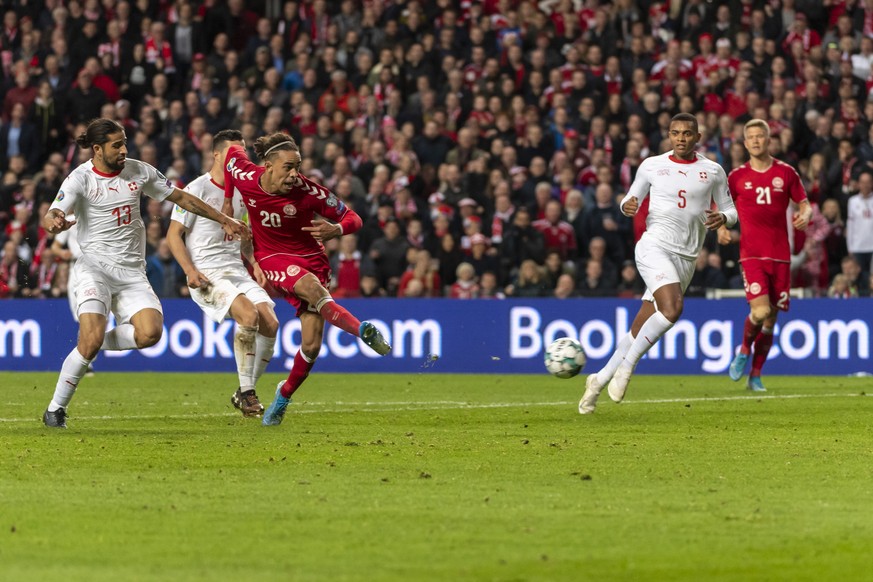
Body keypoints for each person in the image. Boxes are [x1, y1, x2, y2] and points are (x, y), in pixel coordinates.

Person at [41, 118, 248, 428]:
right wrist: (54, 220)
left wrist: (223, 219)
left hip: (132, 272)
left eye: (125, 142)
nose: (124, 149)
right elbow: (52, 214)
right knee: (92, 340)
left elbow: (181, 197)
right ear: (97, 149)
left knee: (150, 333)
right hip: (93, 268)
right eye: (117, 145)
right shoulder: (79, 179)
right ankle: (55, 410)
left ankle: (91, 342)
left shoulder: (140, 171)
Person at [220, 132, 391, 426]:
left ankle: (283, 395)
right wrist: (226, 203)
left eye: (298, 166)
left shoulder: (309, 192)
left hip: (312, 259)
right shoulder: (247, 175)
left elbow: (354, 218)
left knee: (311, 346)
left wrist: (335, 230)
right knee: (312, 289)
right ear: (269, 166)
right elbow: (232, 151)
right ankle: (361, 330)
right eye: (289, 167)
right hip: (273, 257)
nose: (295, 174)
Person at [578, 113, 738, 414]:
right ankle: (628, 366)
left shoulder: (714, 171)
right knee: (673, 308)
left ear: (697, 137)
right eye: (676, 133)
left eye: (687, 133)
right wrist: (627, 206)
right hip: (654, 247)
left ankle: (597, 382)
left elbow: (730, 209)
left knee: (639, 328)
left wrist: (724, 218)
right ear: (669, 135)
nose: (681, 138)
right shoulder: (652, 165)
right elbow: (630, 199)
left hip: (687, 257)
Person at [167, 129, 280, 417]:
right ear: (216, 155)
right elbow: (173, 235)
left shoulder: (243, 191)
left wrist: (254, 261)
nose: (238, 158)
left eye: (242, 153)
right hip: (207, 272)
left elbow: (245, 233)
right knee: (249, 315)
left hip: (236, 270)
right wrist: (189, 270)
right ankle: (249, 394)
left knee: (270, 321)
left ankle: (243, 391)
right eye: (233, 152)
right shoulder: (196, 189)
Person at [721, 119, 811, 392]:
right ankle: (744, 350)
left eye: (761, 136)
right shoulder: (736, 177)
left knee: (770, 321)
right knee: (759, 311)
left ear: (768, 140)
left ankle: (756, 375)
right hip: (752, 255)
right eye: (752, 137)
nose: (757, 141)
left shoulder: (786, 173)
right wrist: (721, 228)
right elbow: (721, 207)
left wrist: (805, 216)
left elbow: (804, 204)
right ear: (745, 143)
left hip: (780, 256)